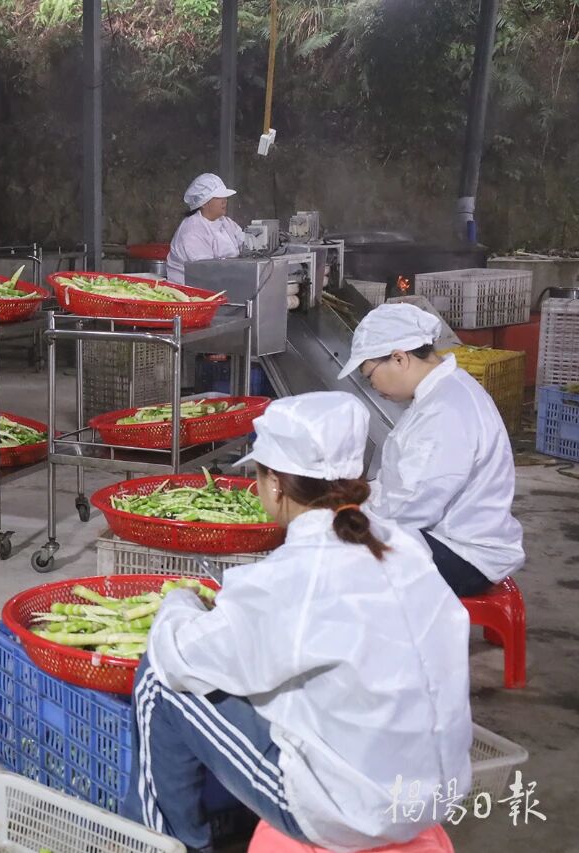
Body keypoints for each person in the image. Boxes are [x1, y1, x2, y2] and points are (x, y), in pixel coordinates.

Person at [121, 392, 472, 853]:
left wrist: (180, 603)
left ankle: (160, 844)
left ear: (275, 486)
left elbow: (180, 656)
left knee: (159, 681)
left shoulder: (296, 576)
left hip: (348, 813)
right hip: (434, 792)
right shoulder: (404, 546)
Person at [338, 303, 524, 597]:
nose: (372, 385)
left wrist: (348, 515)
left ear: (399, 358)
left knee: (337, 564)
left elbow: (412, 505)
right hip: (447, 536)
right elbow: (403, 484)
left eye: (369, 375)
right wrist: (360, 497)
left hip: (463, 556)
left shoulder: (444, 410)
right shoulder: (444, 391)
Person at [166, 173, 246, 284]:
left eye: (224, 197)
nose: (224, 201)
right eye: (218, 197)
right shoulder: (192, 231)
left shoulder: (226, 222)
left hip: (222, 283)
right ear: (203, 203)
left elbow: (245, 243)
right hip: (192, 290)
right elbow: (206, 272)